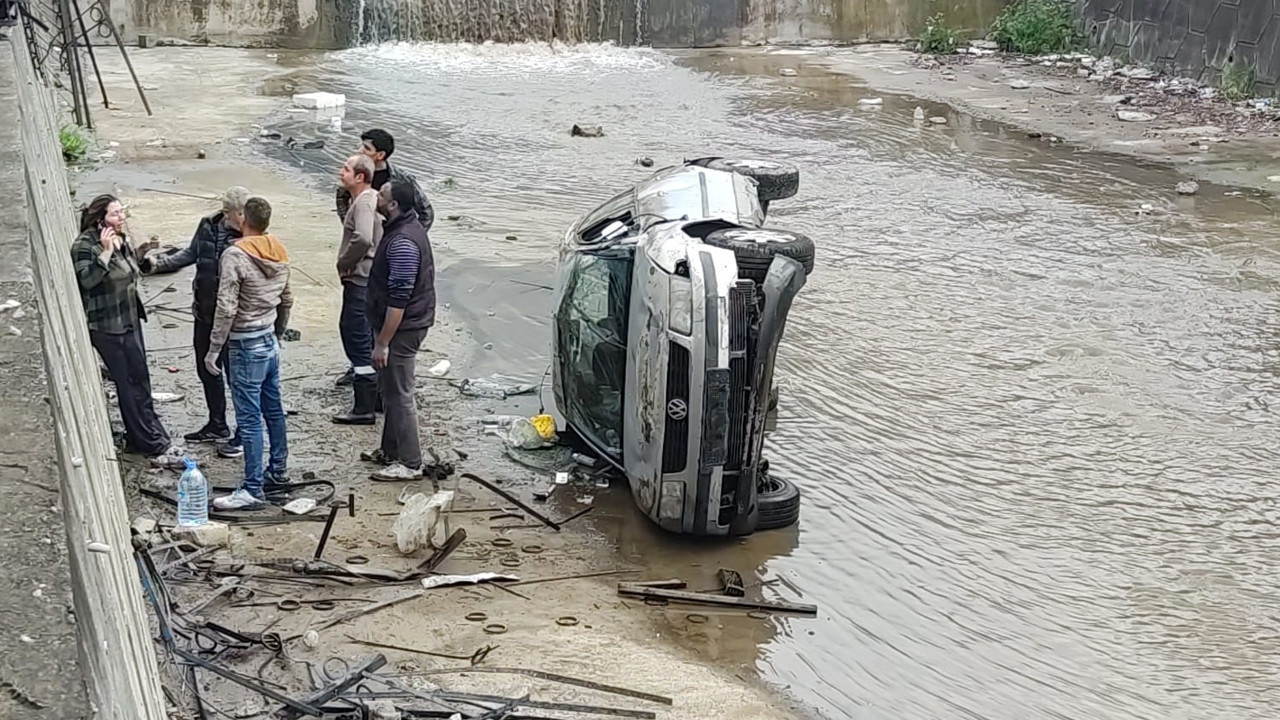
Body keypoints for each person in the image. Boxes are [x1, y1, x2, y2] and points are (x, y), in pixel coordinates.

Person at [71, 194, 184, 468]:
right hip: (108, 326)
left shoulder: (122, 240)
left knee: (141, 380)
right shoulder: (85, 245)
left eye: (122, 213)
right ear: (100, 220)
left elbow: (132, 274)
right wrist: (106, 253)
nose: (121, 218)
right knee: (129, 384)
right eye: (115, 214)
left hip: (129, 319)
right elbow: (87, 281)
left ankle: (149, 436)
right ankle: (151, 445)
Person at [140, 187, 250, 458]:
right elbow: (190, 254)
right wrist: (157, 264)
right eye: (240, 214)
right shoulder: (207, 227)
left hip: (233, 320)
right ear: (228, 213)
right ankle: (217, 424)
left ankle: (243, 432)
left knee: (237, 377)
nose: (245, 218)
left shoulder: (251, 237)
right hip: (204, 312)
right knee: (207, 369)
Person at [204, 197, 294, 510]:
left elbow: (226, 306)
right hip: (268, 339)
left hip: (244, 343)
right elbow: (287, 299)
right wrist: (278, 332)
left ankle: (252, 488)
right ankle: (278, 472)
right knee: (273, 409)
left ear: (244, 220)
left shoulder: (234, 255)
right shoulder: (278, 249)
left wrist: (214, 348)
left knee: (249, 418)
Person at [333, 128, 434, 387]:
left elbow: (425, 213)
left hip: (394, 254)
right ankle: (361, 367)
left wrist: (405, 241)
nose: (359, 151)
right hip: (367, 256)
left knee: (384, 309)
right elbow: (345, 209)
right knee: (361, 315)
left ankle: (377, 373)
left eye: (365, 148)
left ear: (380, 155)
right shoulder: (353, 176)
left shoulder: (400, 181)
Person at [361, 178, 437, 481]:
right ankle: (391, 451)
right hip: (405, 323)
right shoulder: (404, 228)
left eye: (381, 194)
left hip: (404, 327)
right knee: (390, 389)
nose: (376, 196)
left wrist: (383, 343)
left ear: (393, 205)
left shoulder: (403, 241)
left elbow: (399, 299)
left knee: (400, 393)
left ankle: (410, 462)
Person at [331, 154, 383, 425]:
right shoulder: (371, 199)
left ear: (360, 177)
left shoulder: (363, 202)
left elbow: (362, 238)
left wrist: (344, 262)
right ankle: (378, 399)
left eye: (346, 169)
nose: (341, 172)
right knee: (367, 337)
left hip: (360, 280)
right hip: (369, 280)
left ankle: (364, 408)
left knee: (356, 337)